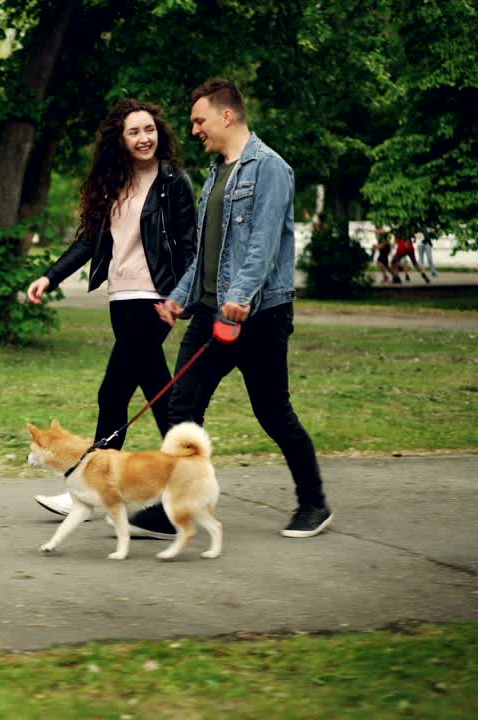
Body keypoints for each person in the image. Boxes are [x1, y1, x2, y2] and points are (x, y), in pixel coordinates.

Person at [142, 77, 333, 539]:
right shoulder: (216, 174)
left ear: (226, 116)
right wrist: (179, 299)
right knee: (180, 407)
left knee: (272, 411)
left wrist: (241, 297)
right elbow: (208, 255)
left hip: (259, 315)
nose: (194, 130)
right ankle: (175, 509)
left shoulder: (269, 168)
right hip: (210, 314)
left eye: (199, 120)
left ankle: (314, 503)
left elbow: (263, 246)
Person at [26, 98, 197, 517]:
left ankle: (93, 489)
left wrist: (180, 297)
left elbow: (191, 246)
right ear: (119, 140)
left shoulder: (174, 181)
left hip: (155, 300)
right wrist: (50, 276)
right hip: (121, 299)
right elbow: (88, 241)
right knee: (148, 391)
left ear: (160, 132)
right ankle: (182, 479)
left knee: (118, 391)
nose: (144, 138)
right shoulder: (112, 183)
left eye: (149, 129)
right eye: (134, 132)